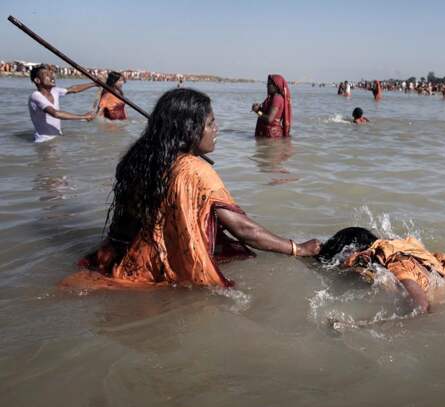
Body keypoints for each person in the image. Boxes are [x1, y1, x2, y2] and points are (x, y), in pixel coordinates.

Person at [61, 89, 320, 290]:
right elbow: (243, 229)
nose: (216, 130)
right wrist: (297, 248)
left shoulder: (139, 156)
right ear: (189, 130)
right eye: (210, 124)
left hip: (111, 256)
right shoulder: (195, 170)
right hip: (155, 271)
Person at [317, 227, 445, 314]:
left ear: (361, 253)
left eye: (344, 256)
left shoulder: (396, 266)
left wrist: (359, 326)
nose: (342, 261)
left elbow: (423, 308)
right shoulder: (392, 245)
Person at [28, 64, 96, 142]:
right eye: (47, 75)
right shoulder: (36, 96)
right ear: (37, 80)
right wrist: (84, 117)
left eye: (51, 74)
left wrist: (94, 84)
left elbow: (74, 89)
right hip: (44, 141)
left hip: (57, 137)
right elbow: (55, 113)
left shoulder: (55, 91)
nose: (52, 77)